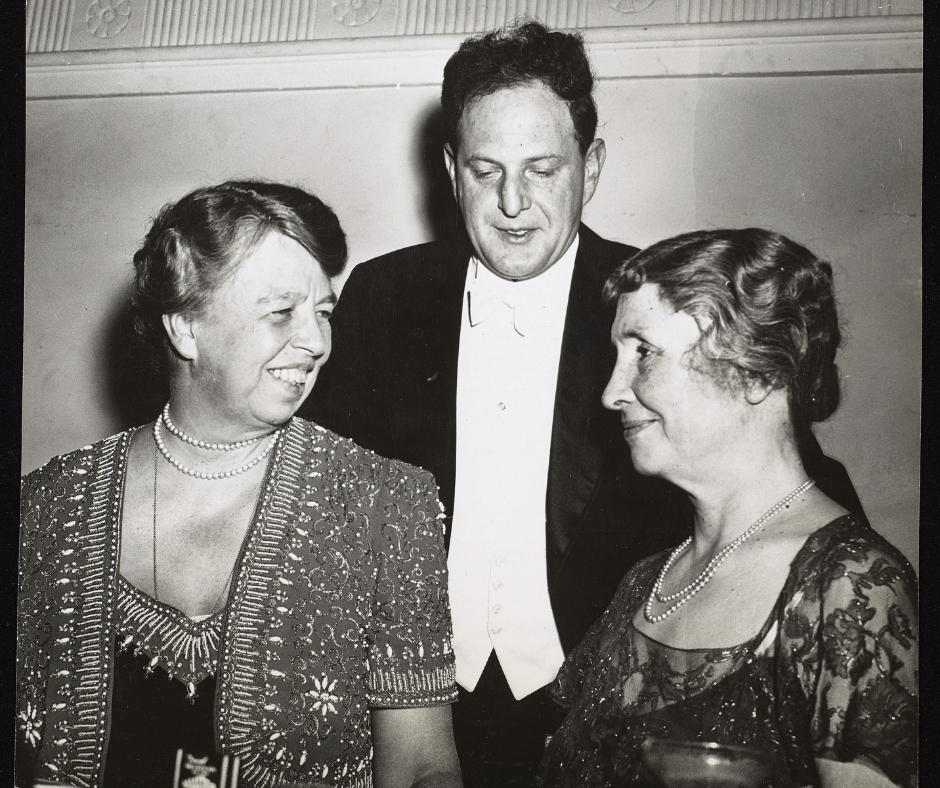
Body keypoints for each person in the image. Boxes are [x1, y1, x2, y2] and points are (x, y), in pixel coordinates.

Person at [299, 22, 863, 787]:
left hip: (599, 727)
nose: (511, 202)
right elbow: (317, 497)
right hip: (405, 718)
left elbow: (789, 480)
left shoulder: (654, 306)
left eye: (542, 169)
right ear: (450, 170)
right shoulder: (380, 295)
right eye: (485, 168)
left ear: (590, 168)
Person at [17, 181, 462, 788]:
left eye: (323, 312)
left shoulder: (386, 504)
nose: (318, 342)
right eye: (282, 312)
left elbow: (420, 769)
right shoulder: (44, 508)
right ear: (185, 328)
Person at [539, 229, 918, 788]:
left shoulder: (851, 588)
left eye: (644, 352)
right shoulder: (647, 580)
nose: (611, 392)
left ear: (759, 371)